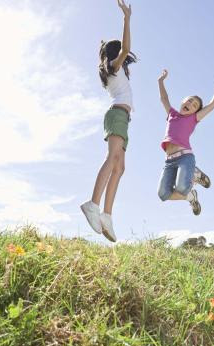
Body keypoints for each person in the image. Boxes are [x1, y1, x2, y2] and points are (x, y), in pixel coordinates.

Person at [80, 0, 137, 242]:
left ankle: (107, 215)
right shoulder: (113, 66)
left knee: (120, 167)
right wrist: (126, 18)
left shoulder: (119, 71)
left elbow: (124, 52)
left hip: (123, 118)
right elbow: (125, 49)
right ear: (115, 56)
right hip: (116, 116)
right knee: (112, 159)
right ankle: (92, 204)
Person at [157, 69, 214, 215]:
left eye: (194, 105)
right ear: (183, 101)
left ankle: (194, 173)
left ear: (195, 112)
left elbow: (212, 105)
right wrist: (160, 82)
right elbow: (164, 98)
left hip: (185, 158)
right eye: (189, 100)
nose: (191, 104)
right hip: (169, 161)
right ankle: (191, 197)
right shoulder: (172, 114)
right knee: (163, 194)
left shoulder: (193, 118)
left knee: (182, 187)